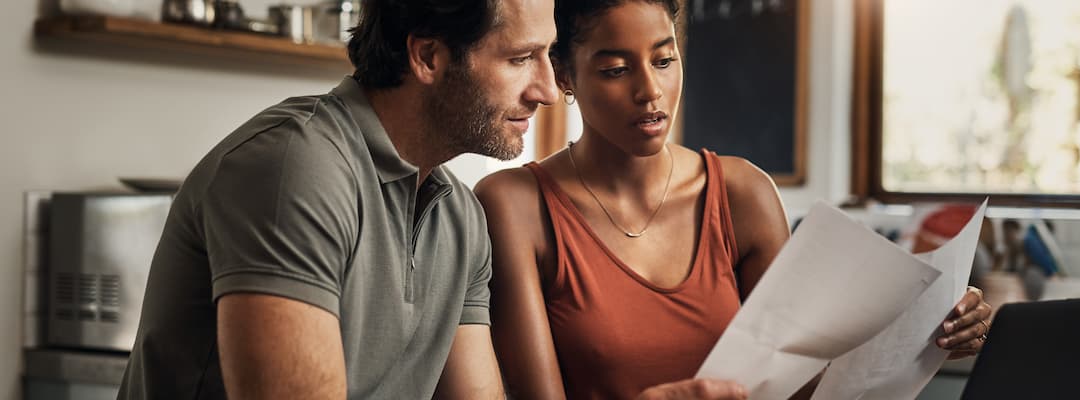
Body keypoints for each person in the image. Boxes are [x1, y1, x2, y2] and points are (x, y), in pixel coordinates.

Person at [473, 0, 994, 398]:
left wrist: (931, 336)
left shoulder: (742, 193)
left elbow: (808, 385)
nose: (649, 91)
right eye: (615, 69)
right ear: (563, 74)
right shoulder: (515, 205)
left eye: (663, 60)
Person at [116, 0, 559, 397]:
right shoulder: (294, 167)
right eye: (520, 59)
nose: (547, 90)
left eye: (548, 56)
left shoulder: (460, 216)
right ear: (428, 56)